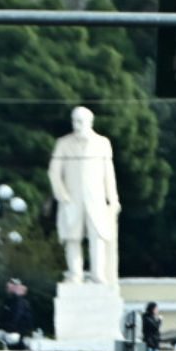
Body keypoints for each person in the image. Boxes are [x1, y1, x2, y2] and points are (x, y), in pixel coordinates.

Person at [48, 105, 121, 286]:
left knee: (98, 236)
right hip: (71, 199)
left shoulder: (102, 143)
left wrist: (113, 197)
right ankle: (75, 275)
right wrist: (62, 194)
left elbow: (108, 173)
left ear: (90, 122)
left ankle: (98, 274)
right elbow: (54, 172)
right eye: (74, 121)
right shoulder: (63, 143)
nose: (77, 125)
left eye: (81, 121)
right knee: (72, 237)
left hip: (96, 199)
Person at [0, 278, 35, 350]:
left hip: (17, 332)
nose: (7, 288)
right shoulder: (9, 300)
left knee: (17, 347)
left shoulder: (19, 302)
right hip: (12, 331)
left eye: (9, 286)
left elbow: (17, 316)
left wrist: (9, 328)